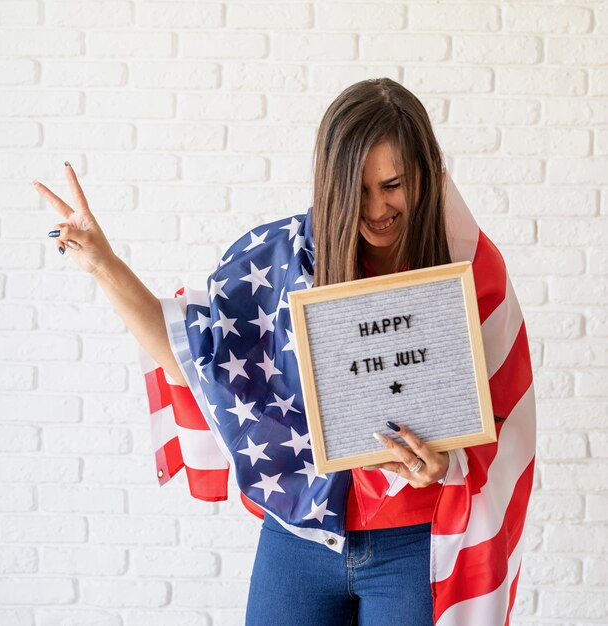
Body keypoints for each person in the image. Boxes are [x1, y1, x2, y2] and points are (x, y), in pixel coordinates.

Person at [35, 78, 536, 625]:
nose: (375, 211)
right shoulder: (283, 259)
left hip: (414, 543)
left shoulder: (470, 267)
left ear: (427, 173)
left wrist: (446, 466)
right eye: (357, 191)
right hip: (298, 536)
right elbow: (190, 351)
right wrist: (102, 261)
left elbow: (504, 427)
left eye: (393, 185)